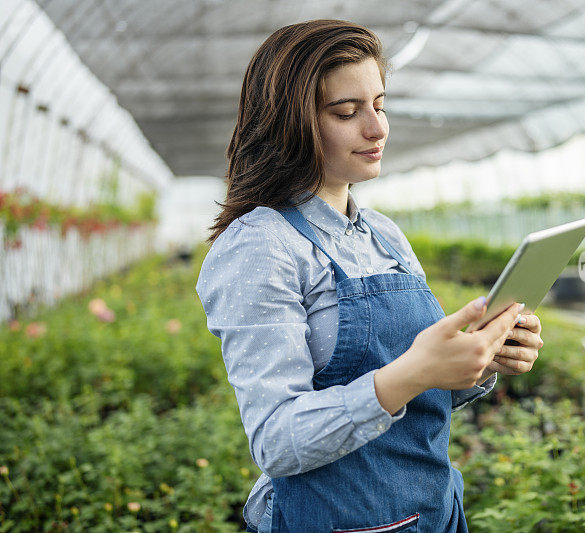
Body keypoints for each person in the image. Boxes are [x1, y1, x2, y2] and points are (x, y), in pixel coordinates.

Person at [195, 19, 544, 533]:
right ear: (290, 120)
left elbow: (423, 390)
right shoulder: (260, 247)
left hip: (433, 512)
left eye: (379, 105)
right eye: (346, 111)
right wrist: (415, 372)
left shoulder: (383, 234)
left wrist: (483, 357)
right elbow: (276, 438)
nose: (377, 128)